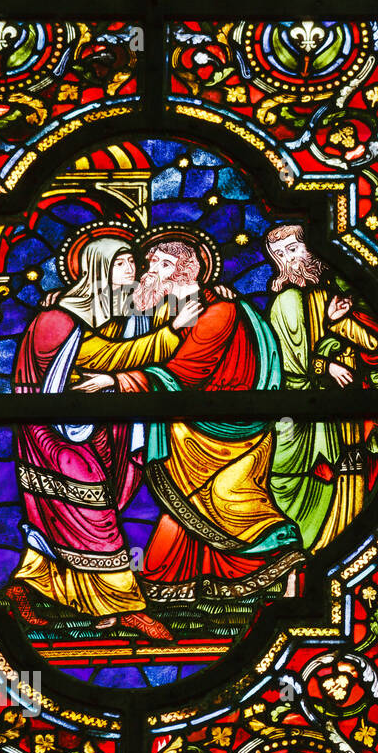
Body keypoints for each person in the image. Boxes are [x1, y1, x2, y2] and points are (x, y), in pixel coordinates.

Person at [74, 235, 303, 603]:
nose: (151, 272)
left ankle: (290, 565)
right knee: (187, 506)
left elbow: (185, 375)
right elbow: (118, 333)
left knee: (235, 503)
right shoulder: (167, 311)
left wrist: (117, 381)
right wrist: (68, 302)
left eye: (163, 264)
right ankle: (181, 581)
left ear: (187, 270)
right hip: (188, 431)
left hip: (228, 435)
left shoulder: (219, 312)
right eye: (151, 263)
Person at [5, 235, 193, 642]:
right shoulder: (57, 319)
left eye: (133, 261)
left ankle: (28, 585)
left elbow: (142, 312)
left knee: (66, 519)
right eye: (123, 261)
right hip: (54, 437)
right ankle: (127, 609)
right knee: (95, 516)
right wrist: (172, 334)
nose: (133, 268)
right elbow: (109, 356)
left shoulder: (102, 314)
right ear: (97, 268)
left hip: (91, 430)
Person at [263, 224, 378, 550]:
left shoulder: (345, 292)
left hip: (349, 413)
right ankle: (298, 555)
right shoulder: (287, 303)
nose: (288, 260)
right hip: (304, 421)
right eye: (279, 255)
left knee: (353, 476)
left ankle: (340, 549)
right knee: (294, 482)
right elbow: (292, 373)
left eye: (293, 249)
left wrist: (340, 323)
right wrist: (326, 365)